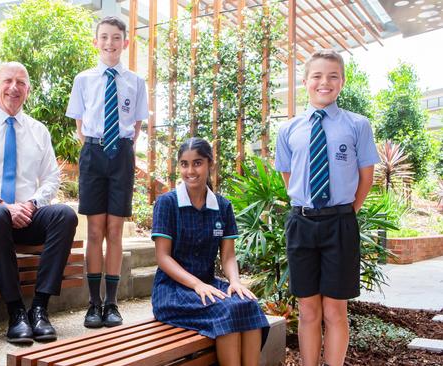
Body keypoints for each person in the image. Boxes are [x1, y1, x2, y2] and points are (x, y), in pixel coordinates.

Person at [0, 62, 78, 345]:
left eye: (21, 82)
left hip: (26, 214)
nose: (14, 87)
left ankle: (40, 309)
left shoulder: (38, 131)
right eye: (7, 81)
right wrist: (2, 205)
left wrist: (32, 204)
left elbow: (51, 178)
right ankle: (16, 312)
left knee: (64, 215)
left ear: (28, 90)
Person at [275, 49, 379, 366]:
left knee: (335, 310)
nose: (325, 82)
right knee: (307, 309)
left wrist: (346, 212)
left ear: (342, 82)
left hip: (340, 224)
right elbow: (288, 176)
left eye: (333, 76)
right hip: (302, 224)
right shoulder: (288, 129)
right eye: (317, 76)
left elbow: (366, 178)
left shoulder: (357, 125)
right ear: (305, 81)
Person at [151, 138, 269, 366]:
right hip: (171, 292)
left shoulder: (222, 206)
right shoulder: (167, 203)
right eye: (184, 164)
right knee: (227, 310)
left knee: (248, 304)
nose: (190, 170)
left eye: (197, 163)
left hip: (208, 286)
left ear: (209, 164)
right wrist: (196, 285)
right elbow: (163, 258)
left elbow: (228, 255)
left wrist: (234, 281)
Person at [66, 16, 149, 328]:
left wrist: (120, 148)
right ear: (95, 42)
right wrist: (97, 148)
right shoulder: (83, 79)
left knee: (115, 230)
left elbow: (136, 126)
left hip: (122, 154)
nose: (110, 43)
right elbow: (79, 126)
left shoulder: (135, 82)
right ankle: (93, 303)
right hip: (93, 153)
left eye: (116, 37)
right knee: (95, 230)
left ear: (125, 43)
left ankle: (112, 303)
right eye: (104, 37)